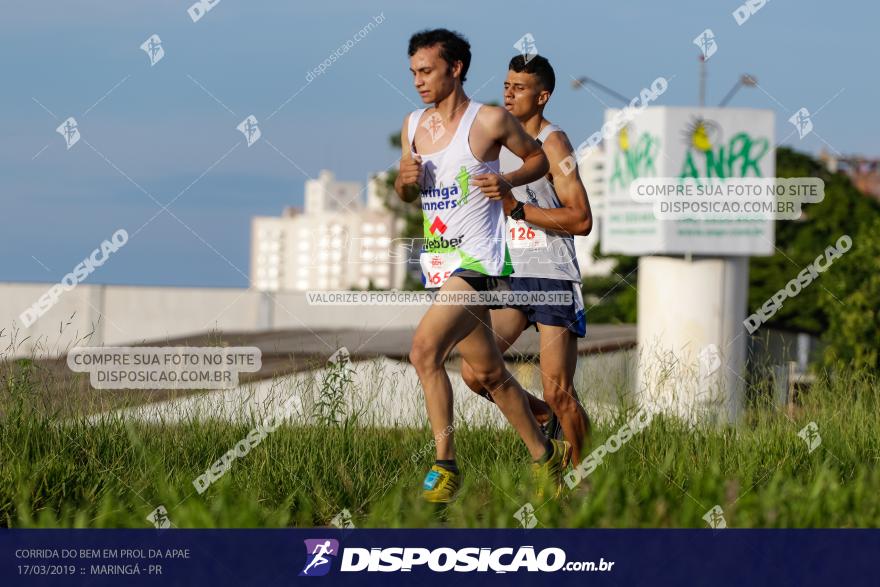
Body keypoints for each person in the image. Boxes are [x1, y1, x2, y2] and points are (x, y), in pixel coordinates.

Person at [395, 29, 571, 503]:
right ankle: (545, 455)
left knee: (423, 350)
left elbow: (537, 159)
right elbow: (406, 191)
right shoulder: (413, 125)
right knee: (490, 374)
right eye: (413, 72)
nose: (418, 81)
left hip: (479, 262)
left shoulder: (490, 120)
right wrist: (405, 181)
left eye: (426, 71)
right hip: (440, 263)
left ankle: (445, 466)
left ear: (455, 68)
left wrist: (507, 181)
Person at [461, 54, 593, 465]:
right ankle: (543, 418)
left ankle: (585, 478)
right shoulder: (497, 142)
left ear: (543, 96)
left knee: (559, 390)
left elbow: (582, 219)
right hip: (510, 277)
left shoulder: (555, 144)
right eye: (505, 85)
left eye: (519, 88)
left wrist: (516, 208)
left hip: (551, 276)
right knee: (475, 372)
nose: (508, 94)